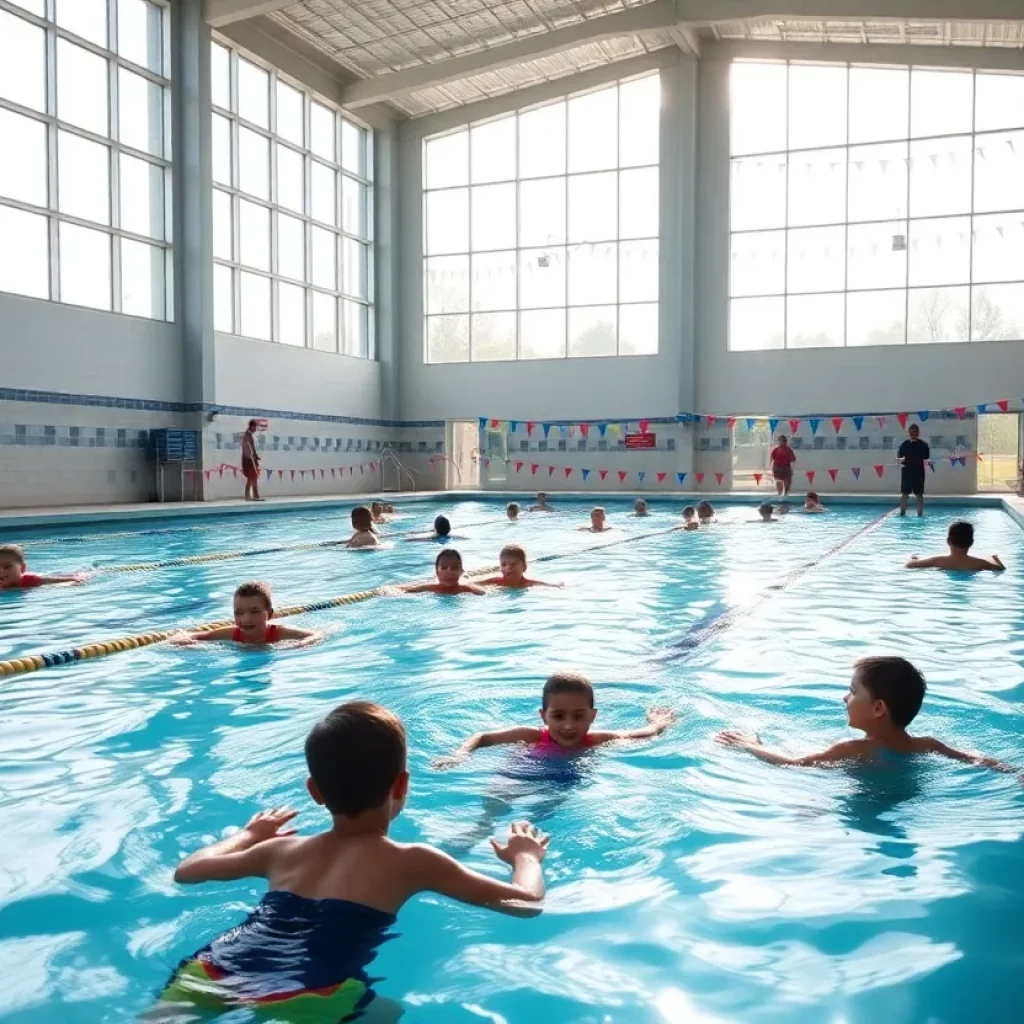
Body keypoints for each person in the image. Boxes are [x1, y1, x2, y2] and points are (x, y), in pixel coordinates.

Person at [160, 702, 549, 1019]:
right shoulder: (413, 861)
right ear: (401, 785)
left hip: (214, 969)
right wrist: (526, 857)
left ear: (315, 791)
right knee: (387, 1013)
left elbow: (187, 872)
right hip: (310, 991)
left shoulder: (279, 851)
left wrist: (248, 835)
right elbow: (525, 903)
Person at [716, 656, 1013, 771]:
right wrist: (1011, 771)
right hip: (906, 804)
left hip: (863, 812)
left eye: (853, 691)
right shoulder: (927, 745)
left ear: (878, 708)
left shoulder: (852, 749)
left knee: (804, 811)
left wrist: (752, 744)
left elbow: (795, 763)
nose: (845, 697)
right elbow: (975, 758)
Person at [433, 672, 677, 769]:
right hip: (521, 774)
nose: (568, 725)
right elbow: (482, 737)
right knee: (493, 809)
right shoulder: (530, 736)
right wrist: (459, 755)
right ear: (544, 716)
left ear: (593, 716)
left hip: (566, 781)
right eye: (558, 716)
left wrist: (658, 723)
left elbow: (642, 734)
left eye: (579, 716)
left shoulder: (597, 740)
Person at [171, 581, 321, 646]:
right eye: (239, 613)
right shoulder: (233, 633)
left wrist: (304, 643)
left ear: (269, 615)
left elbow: (316, 634)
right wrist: (181, 639)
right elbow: (195, 635)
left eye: (254, 611)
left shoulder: (279, 632)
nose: (246, 619)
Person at [906, 520, 1005, 572]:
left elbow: (909, 565)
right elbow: (1000, 569)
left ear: (948, 541)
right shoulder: (980, 563)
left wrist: (913, 558)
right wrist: (995, 559)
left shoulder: (937, 560)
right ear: (971, 543)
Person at [402, 550, 486, 596]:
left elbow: (483, 593)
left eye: (454, 568)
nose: (449, 572)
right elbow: (404, 592)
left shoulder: (466, 589)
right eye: (444, 568)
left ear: (460, 571)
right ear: (437, 571)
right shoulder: (429, 588)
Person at [478, 544, 562, 589]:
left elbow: (548, 585)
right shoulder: (495, 581)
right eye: (504, 564)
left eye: (513, 564)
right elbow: (474, 584)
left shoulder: (529, 584)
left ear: (524, 567)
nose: (508, 568)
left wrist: (557, 586)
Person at [0, 545, 84, 589]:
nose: (1, 571)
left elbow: (52, 580)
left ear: (22, 568)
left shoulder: (30, 580)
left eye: (7, 567)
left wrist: (74, 579)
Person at [898, 423, 930, 517]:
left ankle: (920, 514)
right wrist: (901, 460)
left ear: (918, 432)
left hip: (918, 473)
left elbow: (926, 456)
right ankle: (902, 513)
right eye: (911, 432)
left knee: (919, 495)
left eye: (915, 432)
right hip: (906, 473)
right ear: (909, 433)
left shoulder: (923, 445)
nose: (913, 433)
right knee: (904, 494)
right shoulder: (904, 445)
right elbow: (899, 457)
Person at [241, 419, 263, 502]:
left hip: (252, 458)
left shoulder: (250, 435)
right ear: (251, 426)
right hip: (248, 459)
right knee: (251, 477)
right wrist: (252, 457)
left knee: (254, 477)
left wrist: (256, 456)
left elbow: (253, 448)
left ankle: (255, 495)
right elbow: (248, 448)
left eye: (256, 427)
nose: (255, 428)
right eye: (254, 426)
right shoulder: (247, 435)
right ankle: (248, 495)